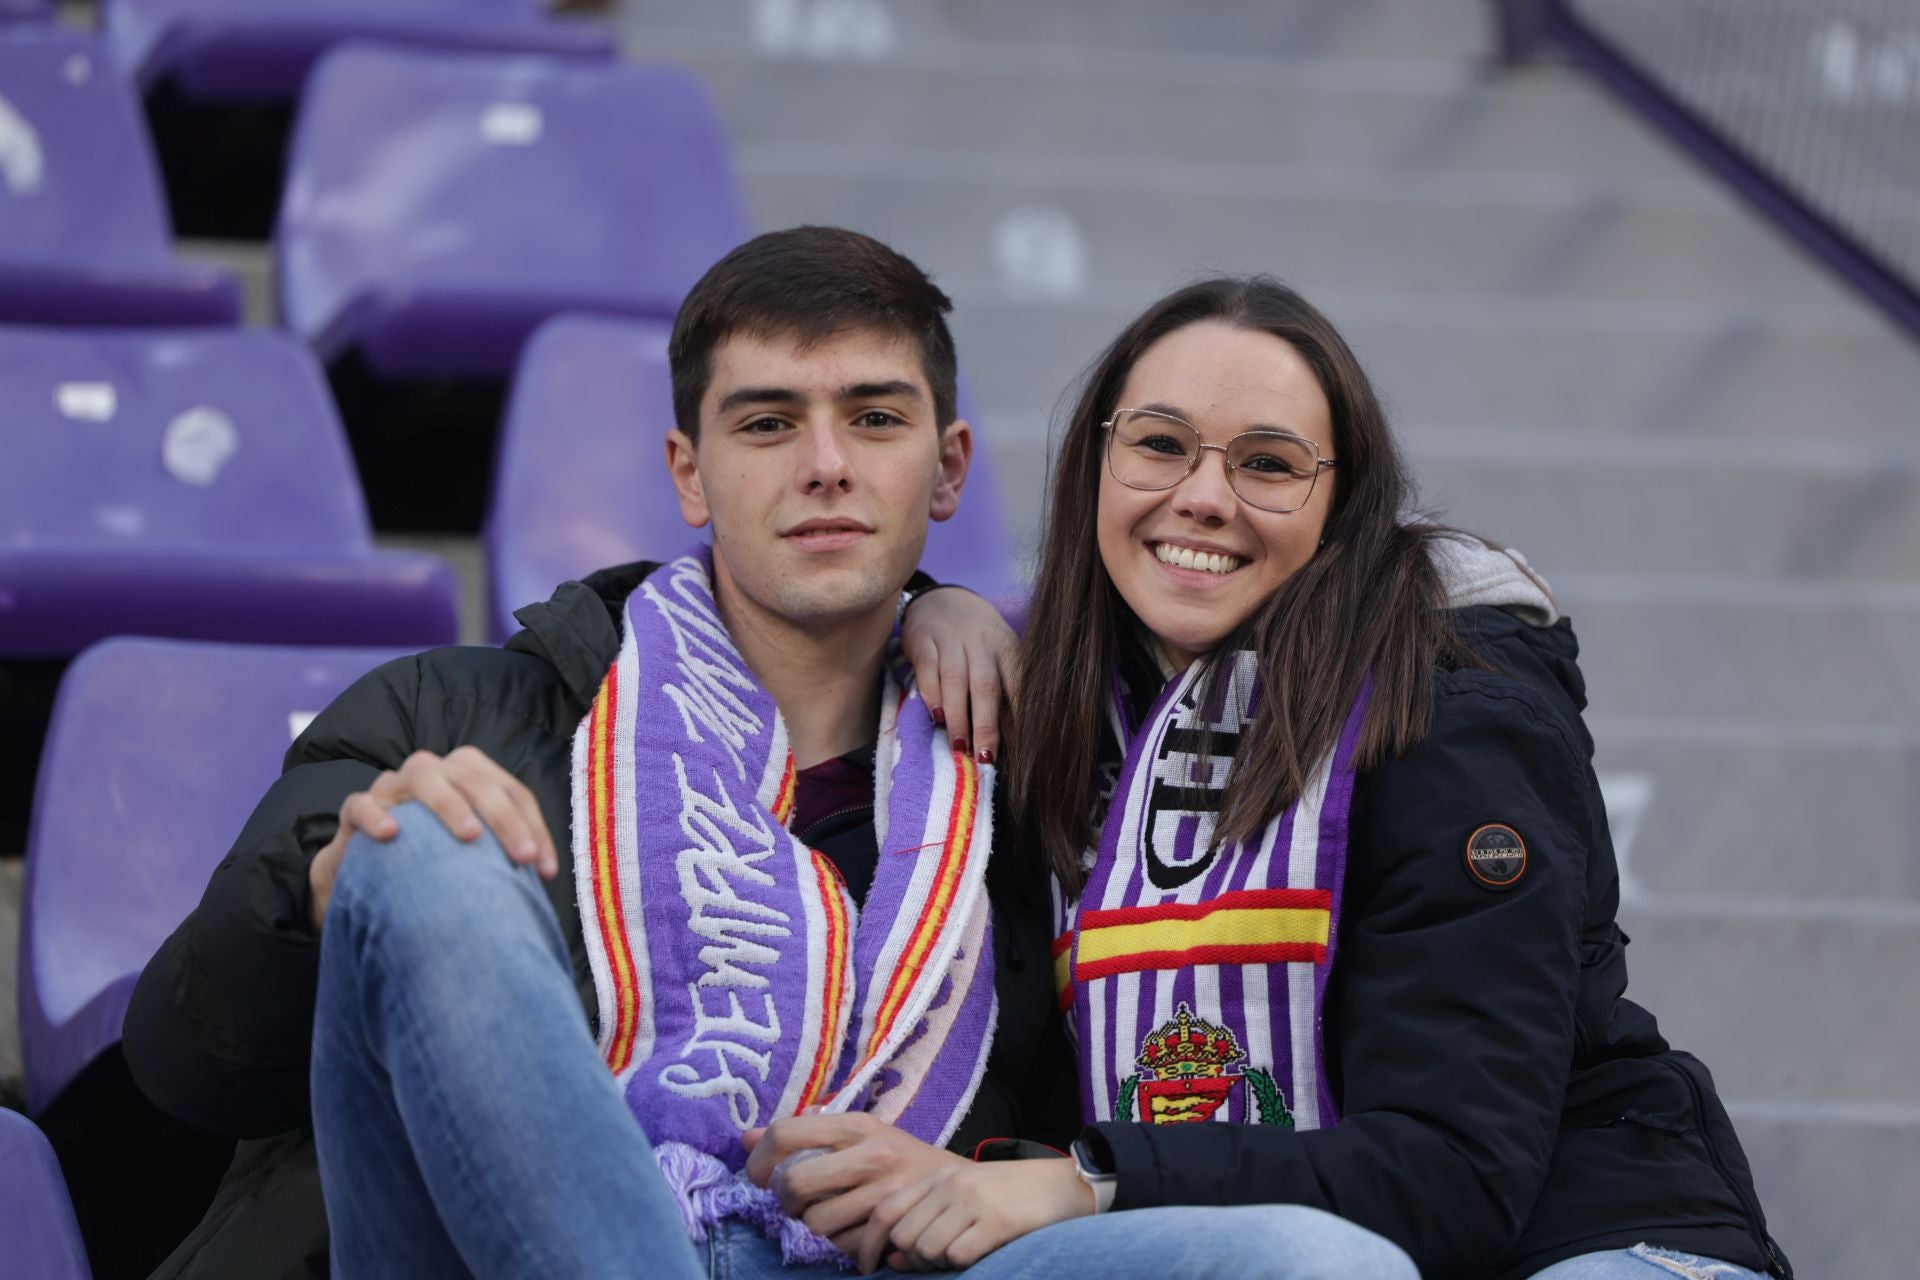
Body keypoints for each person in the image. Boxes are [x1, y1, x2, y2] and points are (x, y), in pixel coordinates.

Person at [776, 275, 1791, 1280]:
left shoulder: (1454, 715)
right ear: (1097, 463)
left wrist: (1086, 1180)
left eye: (1269, 464)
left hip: (1584, 1239)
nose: (1204, 498)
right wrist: (929, 603)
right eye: (1160, 445)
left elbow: (1455, 1174)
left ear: (1342, 504)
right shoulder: (1043, 711)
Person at [120, 227, 1071, 1279]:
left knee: (1265, 1249)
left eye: (876, 418)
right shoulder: (455, 711)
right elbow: (184, 1057)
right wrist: (323, 888)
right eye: (767, 423)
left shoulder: (1027, 782)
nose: (827, 466)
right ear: (690, 475)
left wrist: (980, 1174)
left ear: (948, 469)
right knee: (427, 843)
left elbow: (1092, 1123)